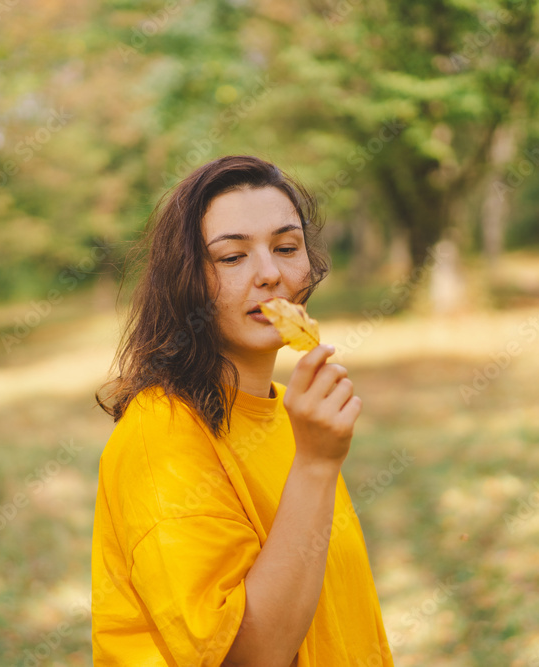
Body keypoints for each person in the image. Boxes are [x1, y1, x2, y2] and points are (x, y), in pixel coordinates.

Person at [92, 155, 395, 666]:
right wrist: (317, 465)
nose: (271, 273)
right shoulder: (162, 437)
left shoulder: (286, 414)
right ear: (185, 280)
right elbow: (244, 657)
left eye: (286, 247)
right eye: (232, 257)